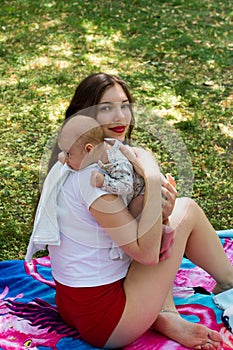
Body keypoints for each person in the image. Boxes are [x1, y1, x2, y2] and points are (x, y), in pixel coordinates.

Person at [27, 73, 233, 350]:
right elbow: (146, 255)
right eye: (106, 108)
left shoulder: (74, 160)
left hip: (73, 304)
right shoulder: (94, 178)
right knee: (188, 211)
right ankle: (226, 283)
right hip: (107, 321)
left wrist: (160, 211)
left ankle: (160, 314)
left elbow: (128, 224)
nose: (120, 116)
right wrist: (150, 175)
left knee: (167, 222)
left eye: (125, 105)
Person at [57, 114, 174, 261]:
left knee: (132, 214)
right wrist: (66, 157)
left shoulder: (116, 162)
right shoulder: (96, 147)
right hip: (135, 190)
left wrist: (104, 182)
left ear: (89, 150)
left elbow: (126, 186)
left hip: (140, 193)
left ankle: (125, 243)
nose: (64, 159)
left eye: (68, 154)